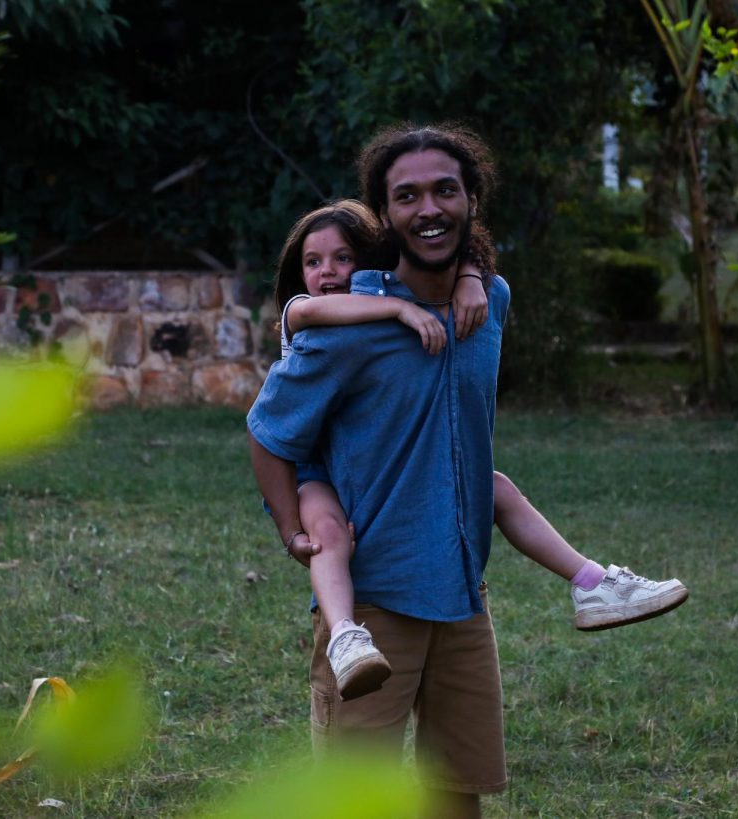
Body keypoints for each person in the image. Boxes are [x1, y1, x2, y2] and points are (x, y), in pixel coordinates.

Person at [268, 200, 688, 702]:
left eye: (343, 259)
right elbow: (325, 311)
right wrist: (401, 307)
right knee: (331, 535)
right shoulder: (303, 313)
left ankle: (592, 583)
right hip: (314, 468)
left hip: (377, 465)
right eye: (313, 262)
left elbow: (447, 258)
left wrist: (468, 273)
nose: (328, 272)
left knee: (496, 487)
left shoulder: (422, 302)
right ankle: (344, 637)